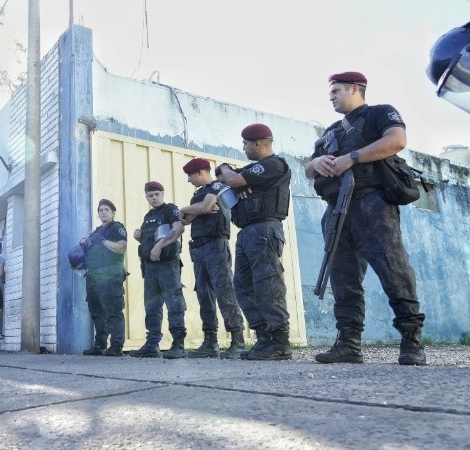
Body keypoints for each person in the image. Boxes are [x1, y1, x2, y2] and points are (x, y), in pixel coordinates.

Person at [305, 72, 426, 366]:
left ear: (355, 89)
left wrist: (353, 157)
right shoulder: (330, 131)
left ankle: (411, 339)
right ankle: (348, 343)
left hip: (372, 203)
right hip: (336, 206)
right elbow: (309, 170)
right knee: (343, 276)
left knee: (391, 267)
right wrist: (315, 163)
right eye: (329, 92)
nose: (331, 96)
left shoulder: (378, 113)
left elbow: (396, 140)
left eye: (336, 91)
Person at [216, 123, 292, 361]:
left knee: (268, 283)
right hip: (248, 231)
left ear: (258, 144)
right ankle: (264, 337)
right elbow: (226, 179)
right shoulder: (254, 169)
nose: (244, 148)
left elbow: (232, 179)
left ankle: (280, 340)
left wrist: (230, 173)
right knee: (242, 284)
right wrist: (231, 176)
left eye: (246, 144)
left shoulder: (273, 164)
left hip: (265, 228)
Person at [179, 158, 246, 359]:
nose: (189, 180)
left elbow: (206, 208)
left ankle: (238, 340)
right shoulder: (197, 195)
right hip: (198, 248)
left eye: (190, 176)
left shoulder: (217, 185)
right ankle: (210, 341)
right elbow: (186, 219)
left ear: (200, 172)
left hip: (215, 244)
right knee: (203, 293)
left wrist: (190, 209)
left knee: (224, 290)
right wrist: (194, 209)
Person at [130, 181, 187, 359]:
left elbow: (179, 229)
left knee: (174, 304)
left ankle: (178, 344)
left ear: (162, 194)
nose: (153, 198)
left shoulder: (170, 210)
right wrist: (140, 238)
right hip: (150, 267)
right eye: (150, 195)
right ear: (146, 197)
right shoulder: (148, 216)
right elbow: (151, 242)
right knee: (152, 306)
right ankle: (152, 345)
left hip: (168, 264)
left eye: (156, 194)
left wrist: (159, 246)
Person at [80, 199, 128, 357]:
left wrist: (103, 241)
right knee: (96, 312)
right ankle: (100, 345)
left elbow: (121, 248)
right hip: (93, 276)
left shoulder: (117, 228)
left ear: (113, 212)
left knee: (113, 311)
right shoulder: (96, 231)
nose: (103, 212)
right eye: (101, 210)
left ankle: (116, 346)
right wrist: (85, 244)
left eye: (107, 209)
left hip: (110, 274)